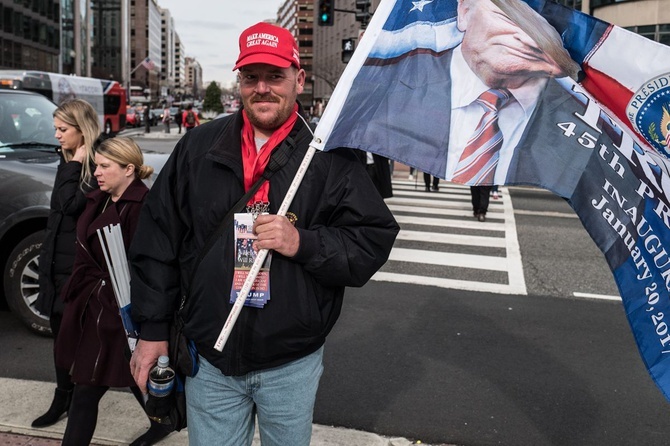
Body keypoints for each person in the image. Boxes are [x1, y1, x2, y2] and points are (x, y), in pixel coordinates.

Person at [128, 22, 399, 446]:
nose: (262, 88)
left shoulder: (330, 156)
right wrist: (152, 330)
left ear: (299, 79)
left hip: (290, 362)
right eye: (251, 77)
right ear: (239, 81)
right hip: (210, 359)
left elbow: (371, 239)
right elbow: (157, 242)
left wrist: (302, 243)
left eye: (275, 76)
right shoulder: (198, 148)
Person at [327, 0, 581, 189]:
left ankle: (478, 204)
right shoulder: (403, 90)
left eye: (543, 31)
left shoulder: (574, 113)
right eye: (506, 17)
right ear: (464, 12)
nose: (526, 38)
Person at [54, 137, 171, 446]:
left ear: (129, 169)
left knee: (88, 387)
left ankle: (163, 420)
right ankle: (162, 420)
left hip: (118, 311)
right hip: (95, 304)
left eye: (105, 166)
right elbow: (64, 205)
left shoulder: (142, 208)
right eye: (96, 166)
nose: (97, 173)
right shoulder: (102, 198)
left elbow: (149, 268)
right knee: (124, 373)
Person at [32, 99, 100, 429]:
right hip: (57, 264)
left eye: (63, 129)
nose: (56, 135)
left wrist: (75, 165)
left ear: (81, 130)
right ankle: (63, 396)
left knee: (100, 343)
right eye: (55, 128)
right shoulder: (70, 159)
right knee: (61, 338)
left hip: (78, 270)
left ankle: (157, 407)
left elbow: (68, 204)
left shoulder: (95, 163)